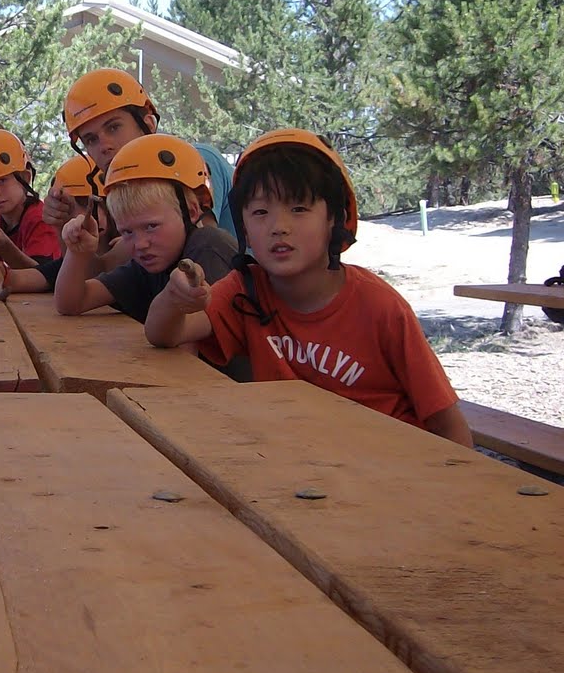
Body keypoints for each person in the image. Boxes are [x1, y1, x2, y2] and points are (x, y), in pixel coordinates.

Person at [145, 129, 474, 445]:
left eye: (299, 208)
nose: (279, 227)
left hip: (390, 469)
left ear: (334, 218)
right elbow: (163, 335)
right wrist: (175, 298)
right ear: (243, 225)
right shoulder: (246, 289)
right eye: (260, 212)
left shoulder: (379, 307)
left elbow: (449, 425)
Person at [55, 134, 237, 320]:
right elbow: (70, 303)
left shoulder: (209, 246)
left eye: (151, 226)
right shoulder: (146, 266)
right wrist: (77, 254)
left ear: (190, 212)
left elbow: (194, 340)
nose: (140, 244)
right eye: (127, 232)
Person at [45, 68, 235, 246]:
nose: (104, 146)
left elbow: (203, 248)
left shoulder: (197, 160)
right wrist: (64, 227)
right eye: (91, 139)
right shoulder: (129, 193)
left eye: (113, 127)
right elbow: (98, 270)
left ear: (149, 124)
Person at [0, 130, 62, 297]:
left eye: (2, 180)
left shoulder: (39, 218)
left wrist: (6, 249)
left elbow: (43, 277)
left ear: (25, 177)